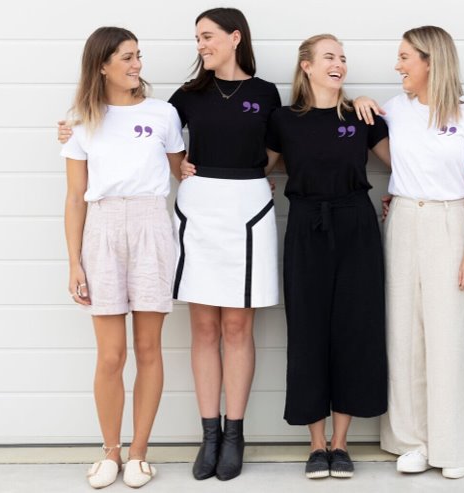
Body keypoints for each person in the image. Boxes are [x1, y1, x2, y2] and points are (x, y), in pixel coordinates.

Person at [59, 7, 281, 481]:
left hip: (206, 216)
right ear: (103, 64)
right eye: (127, 57)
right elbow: (125, 159)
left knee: (229, 328)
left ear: (235, 38)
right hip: (157, 220)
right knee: (173, 336)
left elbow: (276, 144)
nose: (199, 44)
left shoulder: (254, 95)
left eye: (206, 36)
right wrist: (69, 129)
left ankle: (224, 436)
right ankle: (178, 441)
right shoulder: (180, 99)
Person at [183, 33, 391, 481]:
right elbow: (257, 165)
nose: (339, 64)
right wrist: (186, 165)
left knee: (355, 331)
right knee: (309, 331)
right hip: (305, 228)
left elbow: (408, 165)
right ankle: (316, 446)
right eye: (329, 57)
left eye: (343, 57)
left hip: (356, 226)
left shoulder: (362, 116)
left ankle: (341, 443)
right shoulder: (283, 119)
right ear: (307, 66)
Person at [354, 25, 464, 480]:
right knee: (405, 333)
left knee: (449, 335)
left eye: (404, 58)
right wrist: (358, 103)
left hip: (452, 221)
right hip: (404, 222)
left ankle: (452, 444)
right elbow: (387, 154)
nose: (398, 66)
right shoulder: (394, 110)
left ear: (431, 61)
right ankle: (410, 441)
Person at [61, 26, 185, 489]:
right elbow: (75, 198)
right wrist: (74, 261)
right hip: (103, 228)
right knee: (111, 355)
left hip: (153, 224)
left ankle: (139, 454)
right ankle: (110, 453)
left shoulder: (163, 114)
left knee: (149, 348)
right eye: (126, 58)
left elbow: (182, 170)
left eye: (138, 56)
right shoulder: (81, 119)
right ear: (102, 65)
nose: (136, 65)